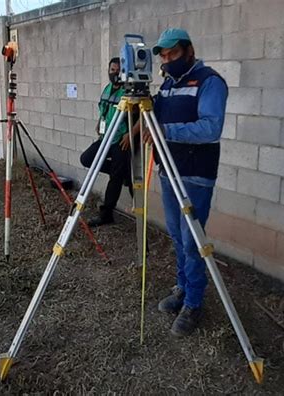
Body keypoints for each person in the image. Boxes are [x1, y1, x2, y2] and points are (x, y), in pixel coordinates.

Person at [146, 28, 228, 337]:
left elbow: (211, 128)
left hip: (195, 174)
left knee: (192, 242)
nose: (167, 61)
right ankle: (182, 287)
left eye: (173, 54)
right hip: (169, 170)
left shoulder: (210, 82)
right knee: (178, 237)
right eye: (163, 57)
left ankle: (194, 303)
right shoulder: (168, 84)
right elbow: (156, 118)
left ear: (188, 50)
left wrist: (165, 131)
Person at [80, 57, 133, 227]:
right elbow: (104, 109)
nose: (115, 73)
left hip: (120, 141)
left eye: (118, 71)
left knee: (114, 180)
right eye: (113, 70)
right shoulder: (107, 88)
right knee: (87, 159)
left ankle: (106, 214)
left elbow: (140, 116)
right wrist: (99, 123)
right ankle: (121, 172)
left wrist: (130, 135)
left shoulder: (129, 91)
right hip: (105, 138)